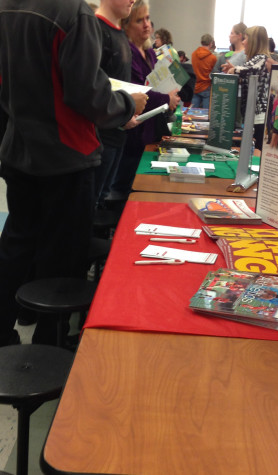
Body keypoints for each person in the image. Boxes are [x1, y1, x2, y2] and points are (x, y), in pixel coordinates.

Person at [0, 0, 147, 346]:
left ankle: (4, 330)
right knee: (62, 257)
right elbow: (88, 94)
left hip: (19, 150)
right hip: (67, 156)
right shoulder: (73, 14)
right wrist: (127, 104)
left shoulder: (7, 7)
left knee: (17, 246)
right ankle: (48, 346)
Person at [108, 0, 180, 202]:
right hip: (132, 133)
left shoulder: (148, 52)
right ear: (126, 25)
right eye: (140, 20)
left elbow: (159, 82)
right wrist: (167, 97)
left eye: (148, 18)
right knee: (124, 187)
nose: (147, 24)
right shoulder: (128, 52)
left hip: (148, 130)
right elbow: (140, 92)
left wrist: (171, 94)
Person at [94, 0, 140, 209]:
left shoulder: (119, 34)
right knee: (91, 200)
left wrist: (126, 112)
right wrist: (126, 107)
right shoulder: (95, 29)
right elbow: (93, 91)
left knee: (102, 195)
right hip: (99, 137)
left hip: (118, 131)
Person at [227, 26, 270, 151]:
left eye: (245, 39)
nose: (243, 42)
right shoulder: (254, 59)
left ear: (254, 42)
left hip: (259, 113)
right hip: (252, 113)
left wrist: (234, 69)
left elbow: (251, 70)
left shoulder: (262, 58)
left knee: (258, 147)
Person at [191, 34, 217, 109]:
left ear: (201, 42)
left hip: (195, 87)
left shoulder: (193, 54)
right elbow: (213, 73)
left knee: (193, 114)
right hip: (207, 87)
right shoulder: (213, 58)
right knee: (206, 115)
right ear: (211, 43)